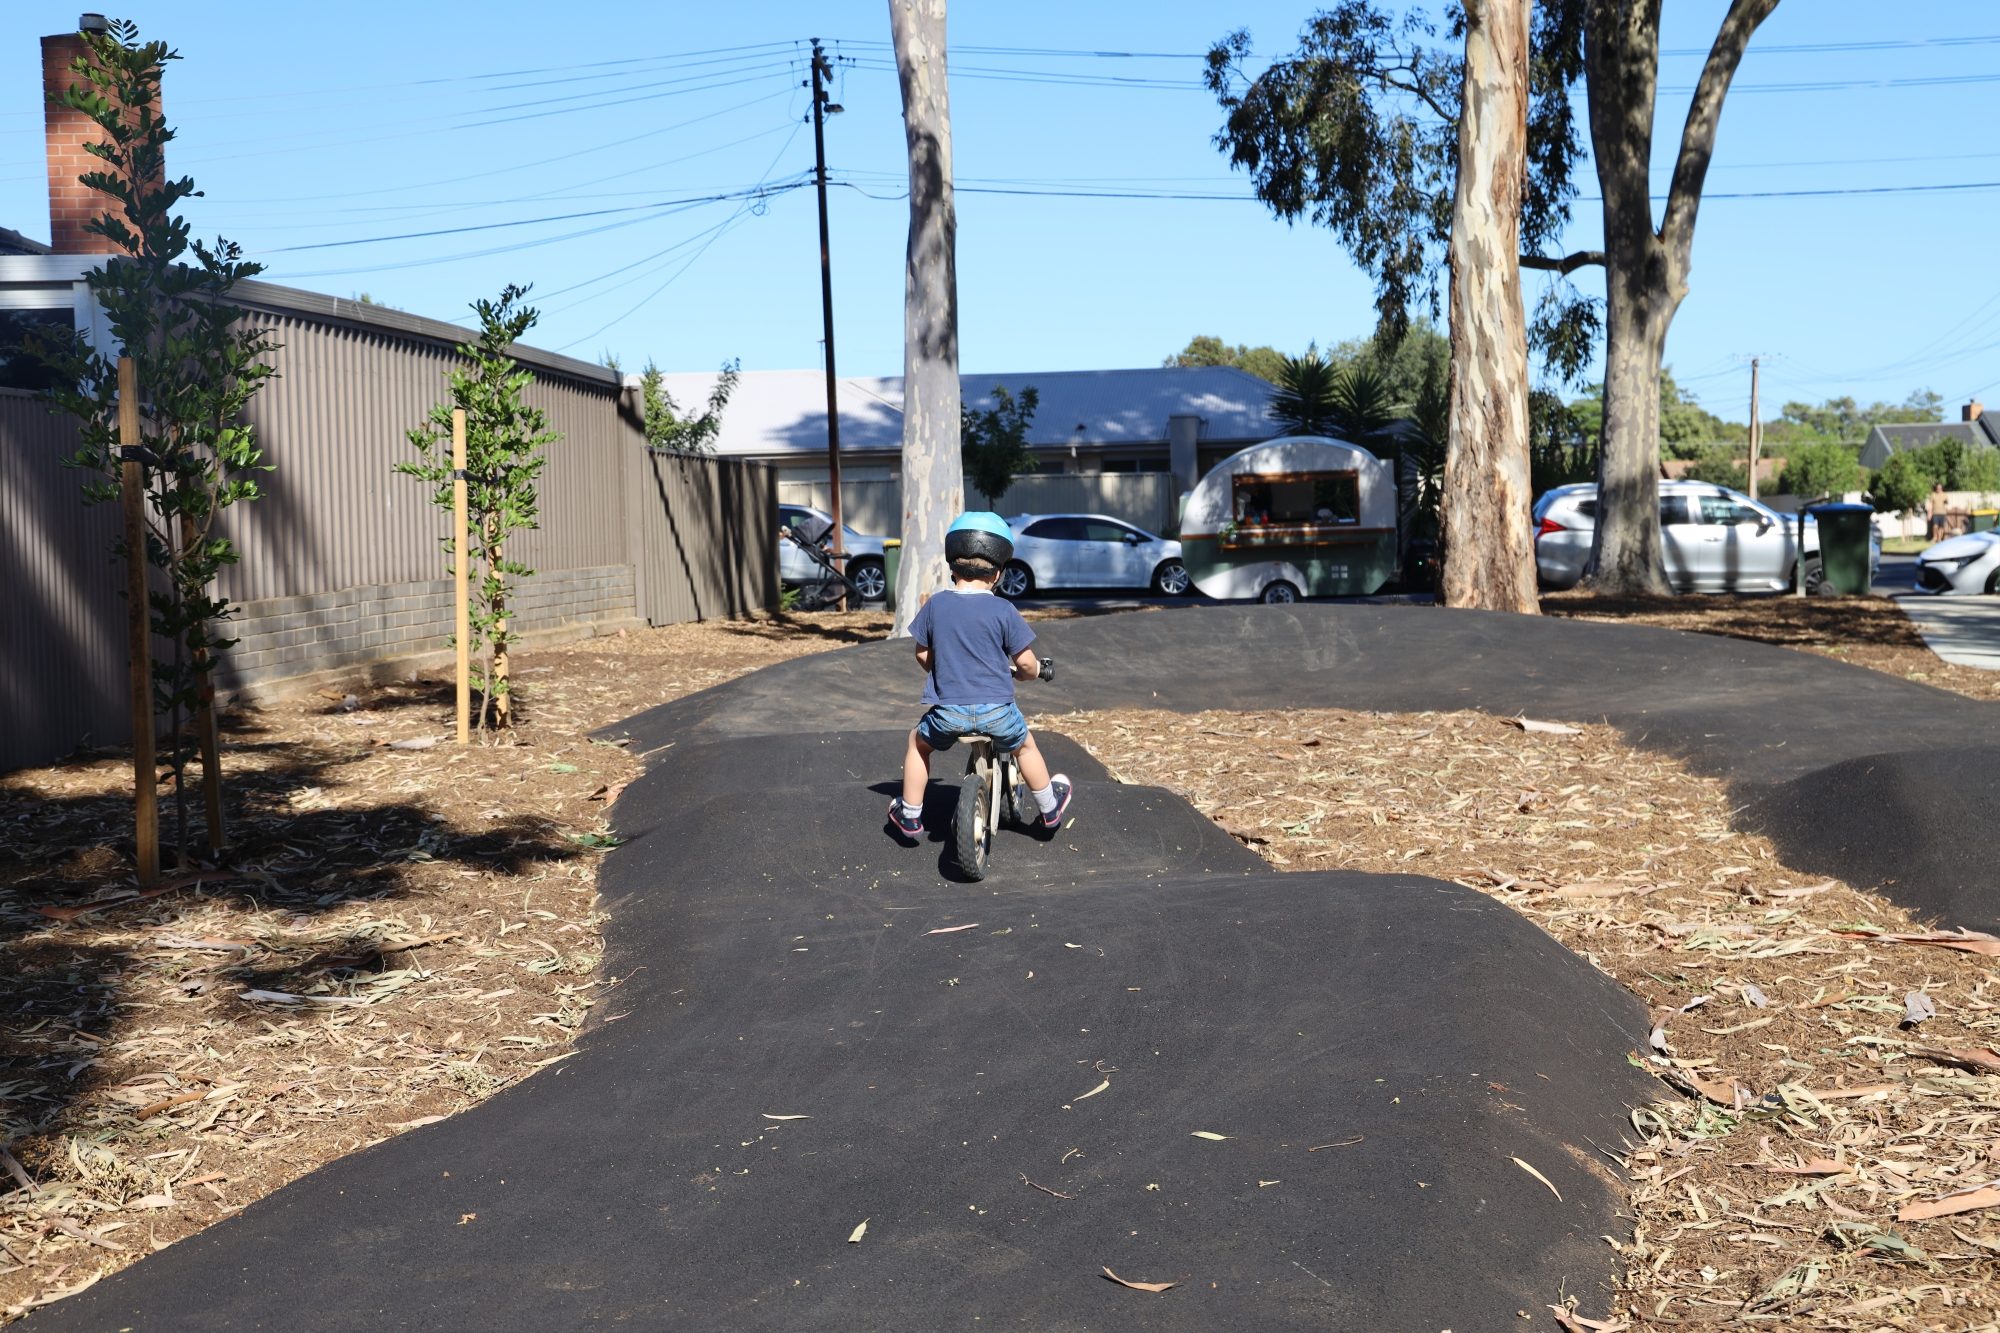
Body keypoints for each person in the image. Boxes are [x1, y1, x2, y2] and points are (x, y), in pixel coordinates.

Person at [888, 512, 1073, 840]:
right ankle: (1049, 808)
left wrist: (943, 667)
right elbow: (1027, 663)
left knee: (917, 744)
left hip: (948, 714)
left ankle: (911, 815)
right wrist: (1030, 675)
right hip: (997, 713)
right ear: (999, 572)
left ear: (951, 566)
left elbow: (921, 653)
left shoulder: (936, 606)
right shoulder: (1004, 611)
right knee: (1025, 747)